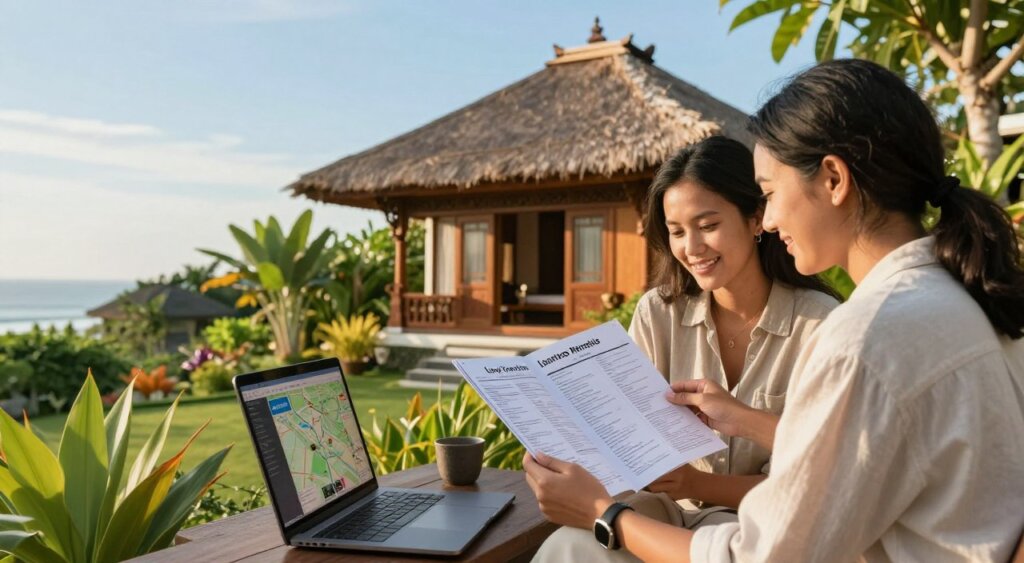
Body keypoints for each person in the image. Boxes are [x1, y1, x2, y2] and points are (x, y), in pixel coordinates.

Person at [524, 58, 1024, 562]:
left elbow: (762, 557)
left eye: (768, 193)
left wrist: (605, 513)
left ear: (832, 179)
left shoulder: (866, 337)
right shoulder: (966, 301)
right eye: (677, 231)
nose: (773, 216)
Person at [533, 136, 840, 559]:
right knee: (570, 546)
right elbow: (628, 433)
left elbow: (817, 482)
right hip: (661, 510)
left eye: (708, 226)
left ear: (756, 218)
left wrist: (696, 484)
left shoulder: (821, 325)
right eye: (677, 232)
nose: (691, 249)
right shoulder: (659, 312)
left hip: (758, 523)